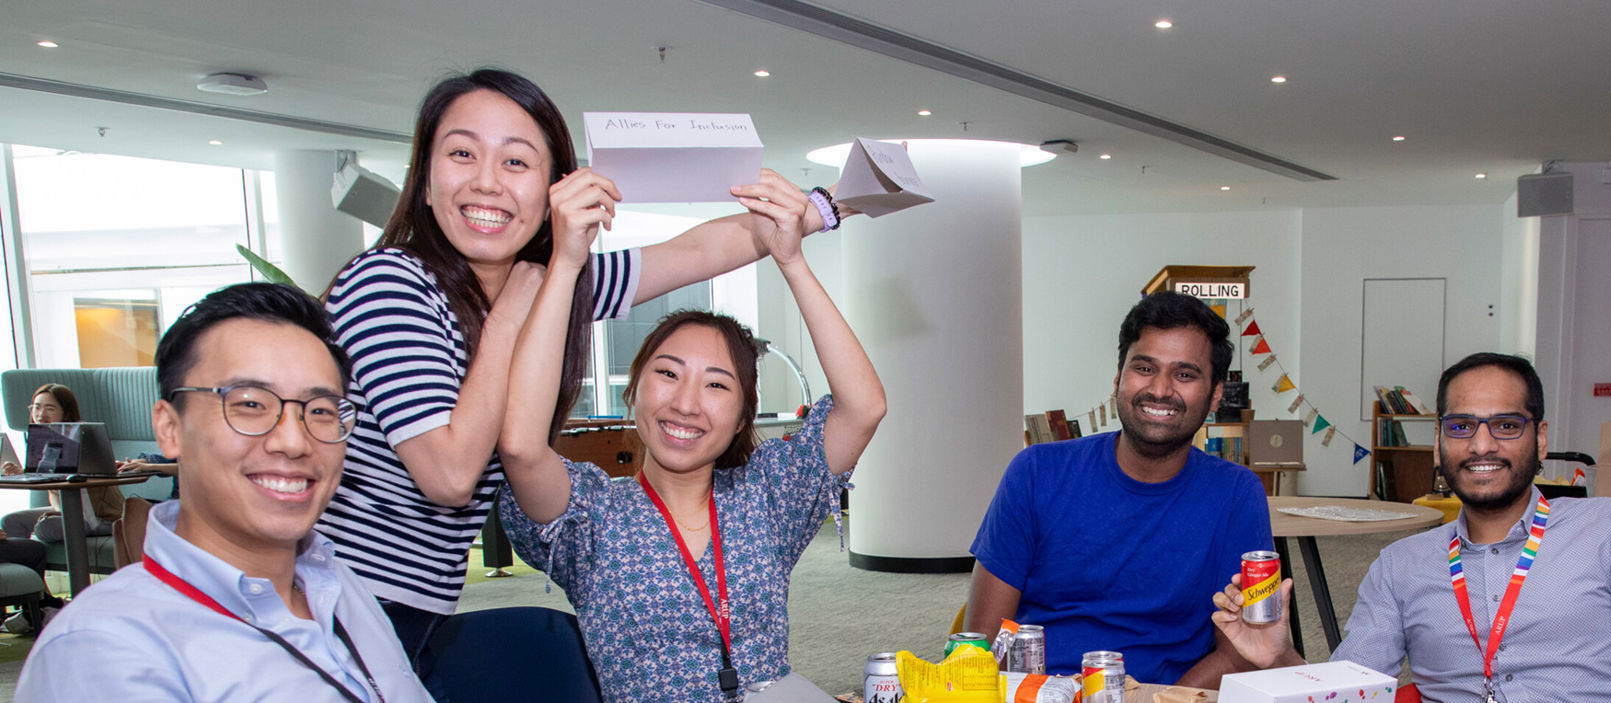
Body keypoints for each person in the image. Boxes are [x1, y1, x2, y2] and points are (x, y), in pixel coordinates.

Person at [312, 67, 849, 658]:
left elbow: (694, 251)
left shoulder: (550, 287)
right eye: (462, 153)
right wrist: (511, 315)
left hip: (415, 603)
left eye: (515, 162)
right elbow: (448, 475)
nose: (487, 182)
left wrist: (823, 208)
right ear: (426, 180)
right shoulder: (389, 281)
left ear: (552, 189)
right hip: (335, 597)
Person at [494, 175, 884, 701]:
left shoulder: (767, 497)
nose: (686, 403)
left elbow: (863, 407)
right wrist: (565, 264)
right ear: (635, 389)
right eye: (668, 374)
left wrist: (791, 262)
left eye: (717, 384)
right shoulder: (592, 515)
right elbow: (520, 445)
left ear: (744, 412)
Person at [16, 282, 434, 702]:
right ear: (169, 428)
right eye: (250, 404)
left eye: (321, 410)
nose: (293, 440)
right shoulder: (106, 650)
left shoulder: (334, 582)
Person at [1213, 352, 1611, 702]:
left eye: (1506, 425)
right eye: (1461, 426)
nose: (1481, 445)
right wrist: (1278, 655)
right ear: (1439, 443)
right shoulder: (1401, 566)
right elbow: (1349, 690)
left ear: (1541, 438)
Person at [964, 292, 1273, 687]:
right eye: (1144, 367)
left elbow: (1240, 652)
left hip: (1165, 699)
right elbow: (982, 643)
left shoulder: (1237, 494)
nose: (1160, 390)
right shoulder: (1036, 471)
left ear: (1214, 395)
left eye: (1185, 374)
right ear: (1118, 379)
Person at [2, 383, 126, 543]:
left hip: (102, 517)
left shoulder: (82, 435)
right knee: (11, 522)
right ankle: (25, 565)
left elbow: (66, 477)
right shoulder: (42, 439)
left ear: (66, 413)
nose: (41, 414)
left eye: (50, 409)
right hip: (66, 510)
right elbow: (48, 475)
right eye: (36, 408)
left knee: (46, 527)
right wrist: (21, 474)